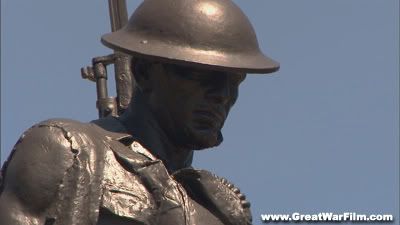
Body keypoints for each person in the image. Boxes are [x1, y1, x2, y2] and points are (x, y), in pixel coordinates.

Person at [0, 0, 279, 224]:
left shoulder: (219, 207)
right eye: (201, 77)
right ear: (144, 73)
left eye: (234, 81)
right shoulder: (66, 148)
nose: (223, 96)